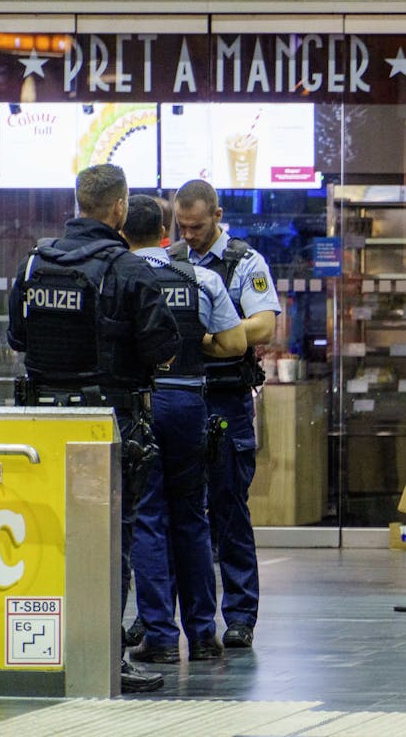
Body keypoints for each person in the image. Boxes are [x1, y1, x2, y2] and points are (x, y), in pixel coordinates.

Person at [7, 164, 180, 694]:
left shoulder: (35, 262)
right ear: (120, 207)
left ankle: (44, 649)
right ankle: (104, 655)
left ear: (78, 202)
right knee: (112, 540)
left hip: (42, 425)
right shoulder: (127, 269)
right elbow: (163, 347)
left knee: (48, 536)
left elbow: (17, 337)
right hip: (108, 423)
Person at [122, 195, 245, 666]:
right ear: (166, 232)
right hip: (190, 400)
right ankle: (203, 635)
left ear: (122, 231)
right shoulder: (201, 277)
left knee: (151, 518)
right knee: (193, 517)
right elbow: (235, 343)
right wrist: (194, 345)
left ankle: (159, 636)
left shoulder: (119, 275)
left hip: (144, 403)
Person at [170, 180, 282, 649]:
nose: (190, 235)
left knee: (230, 509)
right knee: (179, 512)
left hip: (225, 399)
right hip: (179, 396)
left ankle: (239, 615)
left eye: (197, 226)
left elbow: (264, 326)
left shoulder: (243, 261)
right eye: (183, 226)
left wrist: (215, 331)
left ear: (217, 214)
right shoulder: (170, 259)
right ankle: (171, 614)